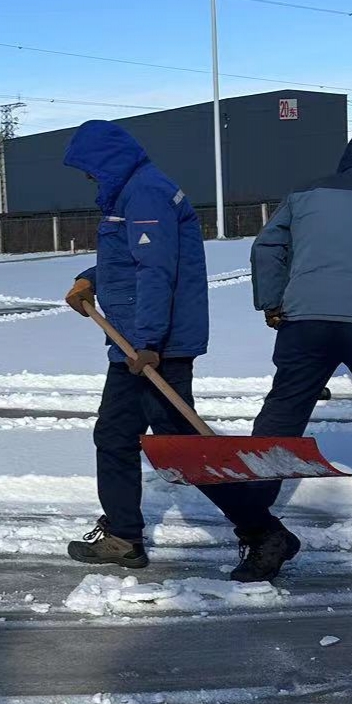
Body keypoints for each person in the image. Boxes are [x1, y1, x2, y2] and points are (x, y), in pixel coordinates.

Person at [60, 120, 287, 573]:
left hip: (151, 346)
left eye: (90, 169)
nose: (89, 178)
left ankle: (264, 532)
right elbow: (131, 259)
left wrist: (147, 342)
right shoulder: (135, 191)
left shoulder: (145, 193)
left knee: (179, 446)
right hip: (138, 342)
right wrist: (91, 278)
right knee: (124, 436)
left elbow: (156, 270)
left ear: (107, 161)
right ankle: (125, 534)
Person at [247, 126, 352, 549]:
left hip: (304, 321)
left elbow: (267, 247)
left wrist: (272, 302)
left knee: (285, 407)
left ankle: (251, 498)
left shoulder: (304, 193)